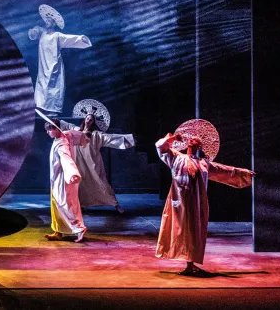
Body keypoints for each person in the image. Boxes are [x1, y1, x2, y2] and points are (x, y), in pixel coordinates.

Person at [155, 132, 255, 276]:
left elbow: (224, 170)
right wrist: (173, 138)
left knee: (194, 231)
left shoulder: (203, 163)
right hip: (180, 201)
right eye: (191, 140)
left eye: (196, 141)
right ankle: (187, 263)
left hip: (196, 201)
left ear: (200, 146)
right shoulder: (177, 157)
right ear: (187, 145)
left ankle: (190, 264)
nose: (193, 141)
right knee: (180, 230)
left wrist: (243, 173)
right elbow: (160, 146)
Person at [58, 113, 135, 212]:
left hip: (92, 162)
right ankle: (81, 205)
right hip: (79, 161)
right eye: (87, 118)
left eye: (91, 120)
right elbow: (67, 125)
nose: (88, 121)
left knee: (101, 182)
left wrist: (129, 139)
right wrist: (57, 122)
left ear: (93, 122)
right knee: (80, 183)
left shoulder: (96, 135)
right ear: (85, 119)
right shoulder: (77, 131)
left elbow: (110, 138)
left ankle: (115, 204)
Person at [29, 4, 92, 115]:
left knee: (54, 88)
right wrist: (33, 31)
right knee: (42, 88)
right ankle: (41, 110)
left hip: (54, 66)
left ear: (54, 23)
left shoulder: (57, 36)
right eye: (47, 20)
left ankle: (52, 113)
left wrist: (81, 39)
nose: (48, 22)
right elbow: (33, 34)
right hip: (43, 66)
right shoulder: (42, 32)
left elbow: (70, 39)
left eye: (50, 20)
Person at [43, 122, 87, 242]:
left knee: (66, 204)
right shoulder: (65, 135)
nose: (47, 132)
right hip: (56, 178)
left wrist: (73, 173)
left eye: (50, 129)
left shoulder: (62, 144)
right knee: (56, 204)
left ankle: (79, 229)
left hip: (63, 179)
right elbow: (76, 134)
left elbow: (66, 158)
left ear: (56, 129)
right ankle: (58, 232)